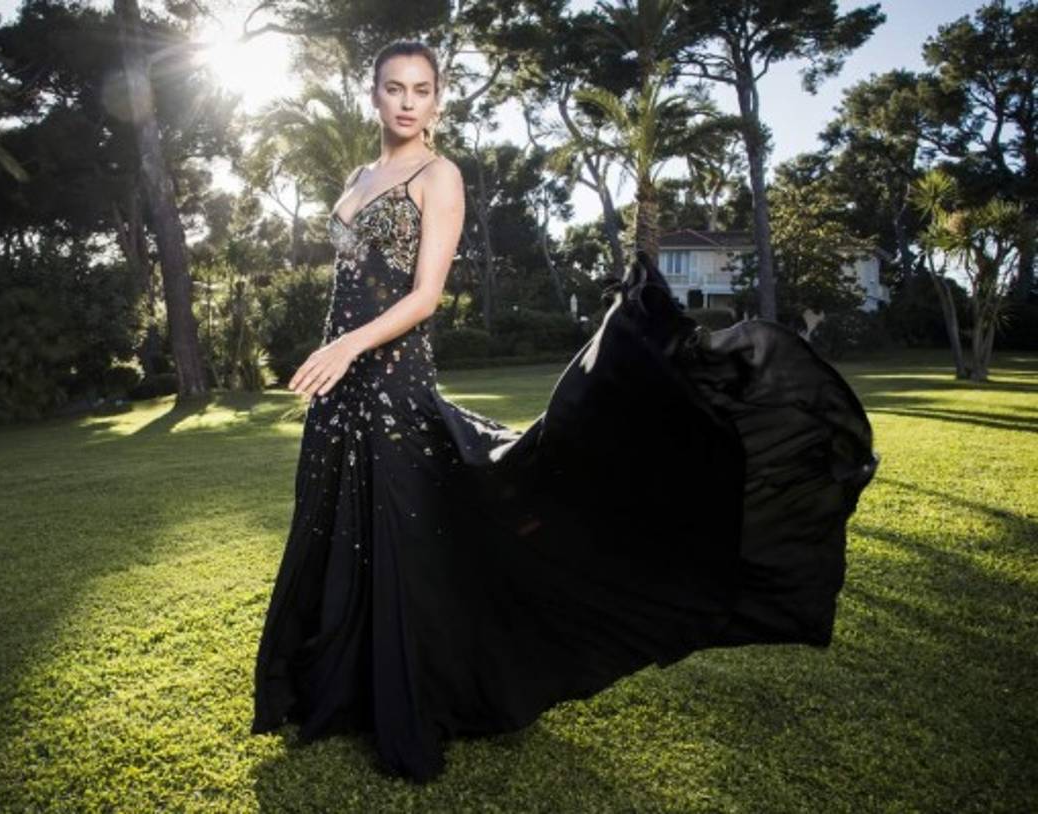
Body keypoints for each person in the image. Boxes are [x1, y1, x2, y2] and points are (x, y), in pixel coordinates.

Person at [250, 39, 880, 784]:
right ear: (374, 95)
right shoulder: (359, 177)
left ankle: (418, 691)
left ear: (438, 100)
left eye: (421, 89)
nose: (408, 102)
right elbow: (350, 281)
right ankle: (338, 686)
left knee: (398, 532)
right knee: (337, 522)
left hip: (389, 379)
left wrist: (349, 346)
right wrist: (335, 354)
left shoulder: (438, 175)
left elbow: (426, 297)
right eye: (395, 88)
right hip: (340, 385)